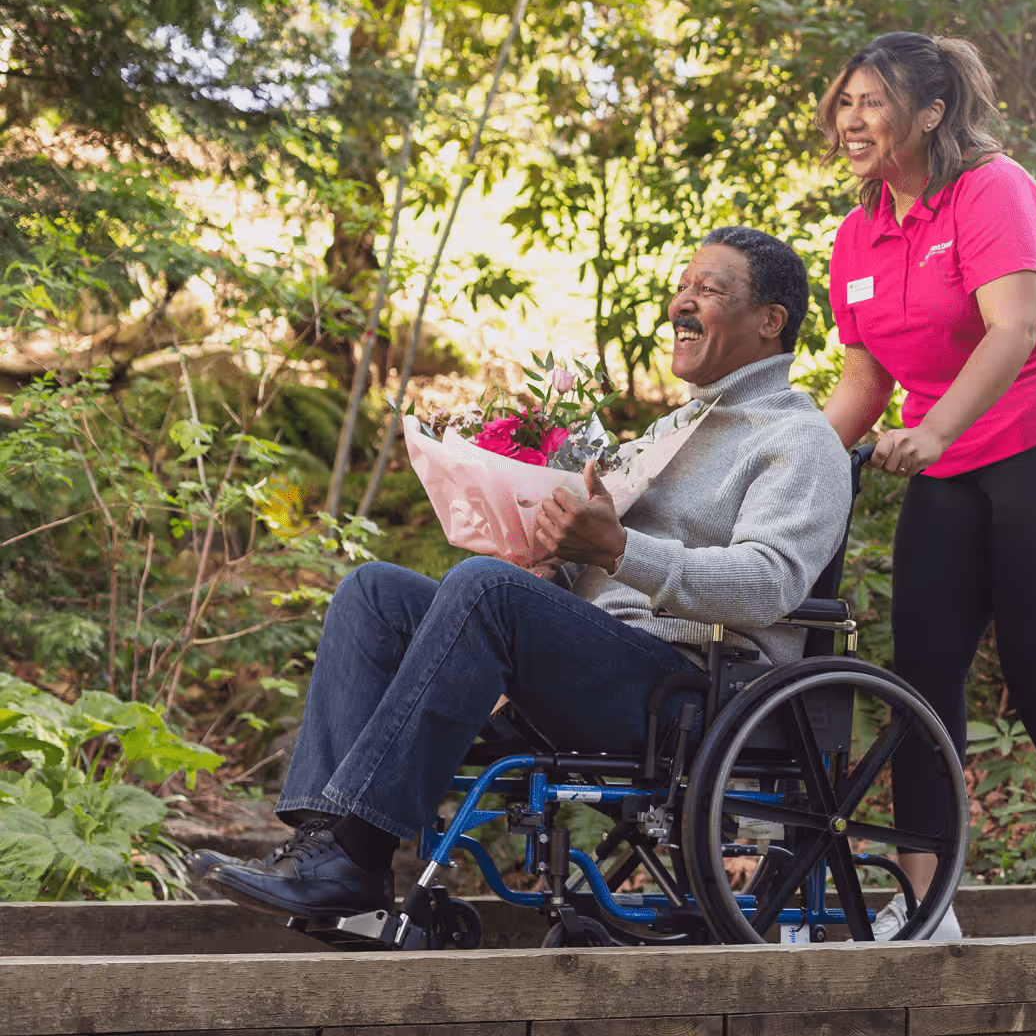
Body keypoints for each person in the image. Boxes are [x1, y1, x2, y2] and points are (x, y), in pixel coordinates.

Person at [201, 227, 851, 920]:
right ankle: (325, 844)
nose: (681, 304)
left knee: (486, 590)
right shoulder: (672, 430)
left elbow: (770, 584)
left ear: (770, 321)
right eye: (682, 287)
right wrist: (552, 552)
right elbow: (596, 562)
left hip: (693, 686)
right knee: (375, 592)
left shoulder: (799, 440)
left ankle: (354, 853)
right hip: (598, 658)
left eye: (708, 291)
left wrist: (619, 550)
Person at [819, 33, 1036, 940]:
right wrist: (782, 460)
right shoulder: (857, 234)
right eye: (844, 102)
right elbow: (862, 383)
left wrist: (931, 431)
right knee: (920, 677)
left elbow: (1014, 326)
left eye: (872, 101)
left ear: (930, 113)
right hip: (954, 459)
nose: (852, 119)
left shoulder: (992, 188)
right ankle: (927, 904)